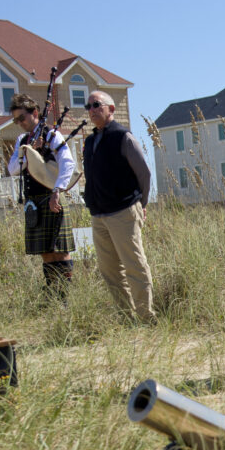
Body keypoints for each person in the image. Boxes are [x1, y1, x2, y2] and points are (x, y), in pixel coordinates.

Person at [81, 90, 156, 323]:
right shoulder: (90, 141)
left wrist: (140, 204)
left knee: (134, 265)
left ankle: (146, 318)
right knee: (110, 271)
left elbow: (143, 173)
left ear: (111, 109)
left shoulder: (123, 137)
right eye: (88, 106)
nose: (92, 110)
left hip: (123, 211)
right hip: (99, 215)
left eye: (96, 105)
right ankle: (127, 319)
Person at [7, 93, 76, 302]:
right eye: (16, 120)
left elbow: (68, 163)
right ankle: (53, 294)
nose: (19, 123)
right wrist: (30, 153)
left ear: (35, 113)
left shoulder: (51, 135)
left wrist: (57, 190)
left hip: (51, 195)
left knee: (60, 250)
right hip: (33, 201)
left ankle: (65, 296)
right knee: (45, 252)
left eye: (22, 118)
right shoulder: (22, 141)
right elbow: (12, 169)